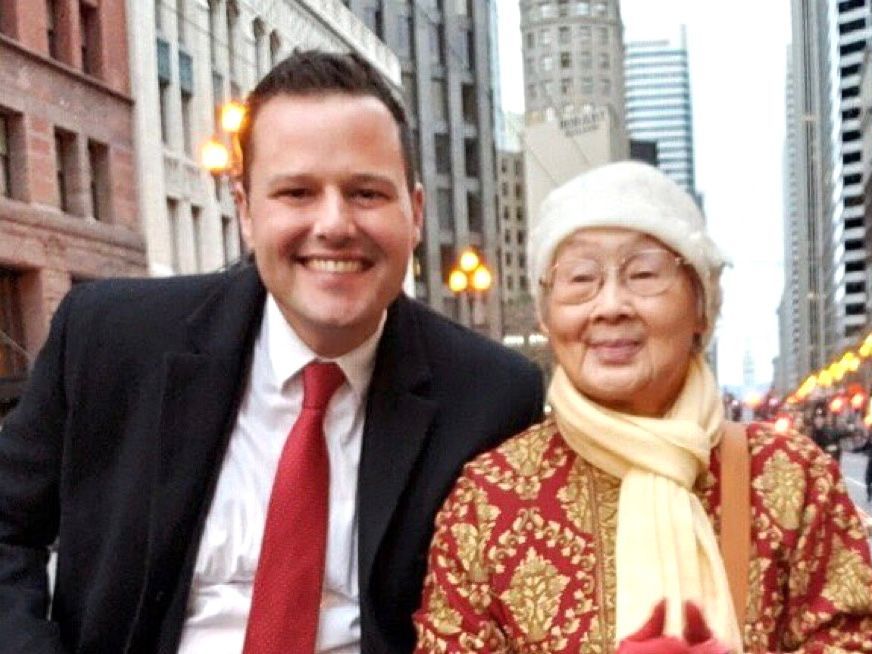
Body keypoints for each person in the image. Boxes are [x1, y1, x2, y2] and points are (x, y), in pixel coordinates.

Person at [0, 51, 545, 653]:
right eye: (296, 192)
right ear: (246, 210)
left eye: (366, 193)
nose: (334, 224)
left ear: (414, 213)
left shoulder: (493, 396)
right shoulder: (110, 339)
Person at [411, 162, 872, 652]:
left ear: (703, 307)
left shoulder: (792, 477)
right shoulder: (488, 499)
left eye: (643, 274)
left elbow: (856, 638)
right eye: (581, 279)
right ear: (546, 314)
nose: (611, 305)